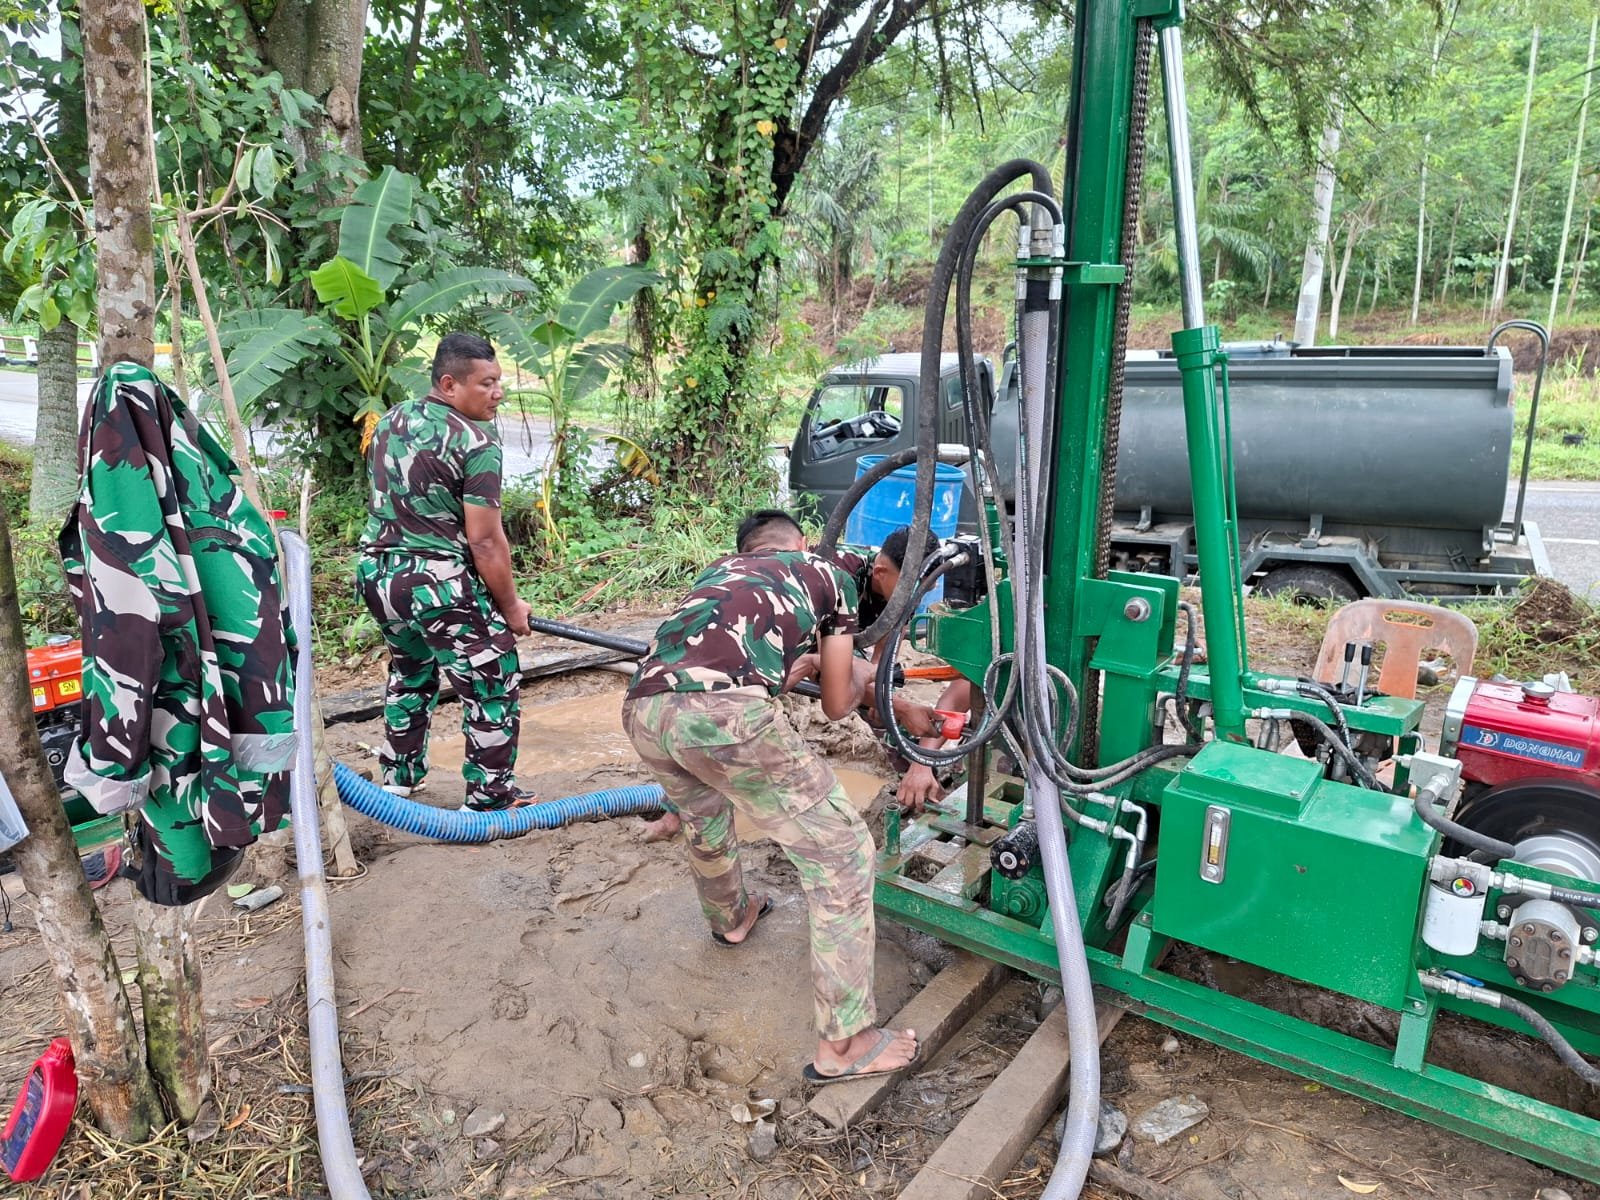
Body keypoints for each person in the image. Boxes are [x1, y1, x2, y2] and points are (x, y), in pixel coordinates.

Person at [621, 509, 919, 1085]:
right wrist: (853, 673)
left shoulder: (722, 572)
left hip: (643, 708)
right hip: (724, 713)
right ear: (803, 545)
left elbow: (722, 656)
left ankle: (731, 918)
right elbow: (835, 705)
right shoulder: (826, 575)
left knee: (704, 816)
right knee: (842, 851)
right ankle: (847, 1042)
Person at [355, 332, 537, 812]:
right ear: (450, 384)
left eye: (500, 382)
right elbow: (484, 540)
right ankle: (489, 798)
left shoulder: (392, 419)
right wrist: (511, 606)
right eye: (487, 384)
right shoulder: (477, 442)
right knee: (491, 678)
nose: (498, 393)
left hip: (379, 573)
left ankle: (398, 777)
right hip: (436, 583)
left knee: (410, 670)